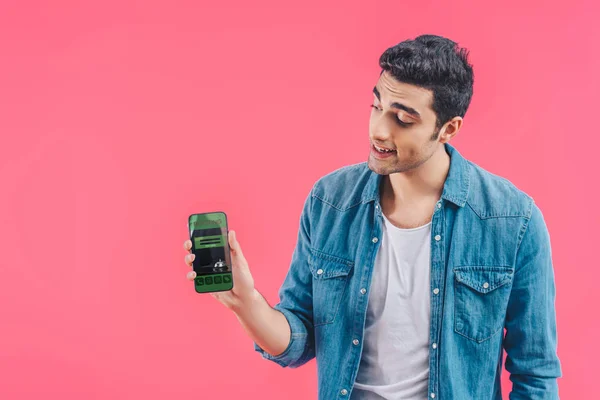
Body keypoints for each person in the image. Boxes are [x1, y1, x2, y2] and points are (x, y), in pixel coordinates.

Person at [183, 34, 562, 399]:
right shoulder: (329, 202)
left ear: (448, 129)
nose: (379, 129)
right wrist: (245, 302)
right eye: (377, 106)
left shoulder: (514, 221)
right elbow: (299, 341)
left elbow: (535, 373)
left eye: (403, 119)